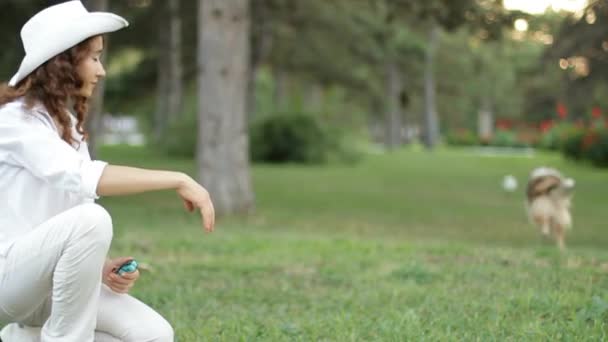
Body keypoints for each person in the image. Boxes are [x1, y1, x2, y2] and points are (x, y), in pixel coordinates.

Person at [0, 1, 215, 341]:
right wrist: (179, 178)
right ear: (63, 63)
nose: (101, 71)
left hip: (52, 282)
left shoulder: (66, 124)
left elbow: (70, 216)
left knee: (153, 335)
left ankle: (21, 339)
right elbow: (85, 178)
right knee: (94, 220)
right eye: (95, 58)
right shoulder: (14, 120)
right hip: (10, 281)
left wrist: (100, 267)